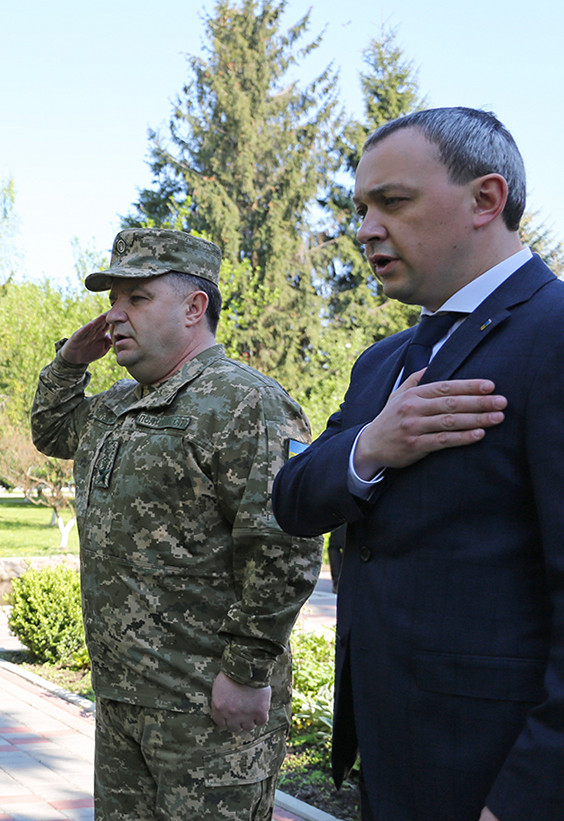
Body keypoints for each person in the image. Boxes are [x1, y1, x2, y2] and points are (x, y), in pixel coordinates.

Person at [272, 107, 564, 821]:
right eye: (361, 208)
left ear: (485, 200)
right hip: (394, 760)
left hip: (496, 777)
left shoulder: (554, 336)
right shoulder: (384, 363)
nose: (366, 228)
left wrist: (525, 799)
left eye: (392, 202)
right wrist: (373, 446)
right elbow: (293, 496)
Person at [31, 228, 320, 821]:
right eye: (113, 299)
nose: (115, 315)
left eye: (136, 298)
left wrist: (245, 672)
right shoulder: (115, 404)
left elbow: (284, 546)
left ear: (195, 307)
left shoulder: (246, 402)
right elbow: (50, 431)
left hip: (207, 708)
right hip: (120, 699)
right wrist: (68, 361)